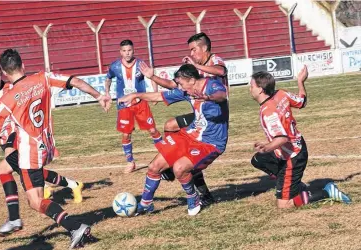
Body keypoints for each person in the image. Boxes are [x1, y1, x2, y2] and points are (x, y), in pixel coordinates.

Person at [0, 48, 110, 249]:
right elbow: (75, 81)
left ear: (5, 74)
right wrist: (98, 95)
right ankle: (24, 218)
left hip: (29, 151)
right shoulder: (44, 78)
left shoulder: (9, 96)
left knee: (35, 201)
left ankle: (74, 225)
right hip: (44, 146)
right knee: (7, 170)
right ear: (23, 65)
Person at [0, 63, 83, 237]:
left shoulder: (12, 88)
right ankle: (71, 184)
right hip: (1, 139)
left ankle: (16, 219)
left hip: (15, 136)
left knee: (9, 171)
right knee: (19, 171)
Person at [119, 64, 229, 216]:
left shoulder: (211, 85)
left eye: (182, 84)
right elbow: (159, 96)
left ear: (191, 80)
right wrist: (135, 95)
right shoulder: (186, 90)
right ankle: (145, 204)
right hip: (189, 135)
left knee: (179, 168)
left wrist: (208, 97)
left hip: (211, 142)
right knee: (154, 167)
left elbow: (222, 95)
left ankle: (193, 197)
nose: (181, 89)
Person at [249, 66, 351, 208]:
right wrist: (300, 81)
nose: (250, 89)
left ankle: (327, 192)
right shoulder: (281, 94)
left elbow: (282, 138)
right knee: (258, 160)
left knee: (284, 205)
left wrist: (268, 146)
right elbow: (302, 102)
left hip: (292, 156)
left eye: (251, 85)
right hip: (293, 146)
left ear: (260, 89)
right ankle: (293, 184)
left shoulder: (268, 112)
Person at [153, 33, 228, 205]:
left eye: (194, 50)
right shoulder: (196, 66)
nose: (192, 54)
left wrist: (195, 66)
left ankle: (177, 169)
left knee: (191, 152)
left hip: (213, 115)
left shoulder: (215, 60)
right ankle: (174, 162)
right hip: (199, 113)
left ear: (204, 48)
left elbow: (221, 71)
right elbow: (174, 85)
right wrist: (152, 76)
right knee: (170, 125)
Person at [104, 39, 162, 174]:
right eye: (124, 51)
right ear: (120, 52)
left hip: (141, 102)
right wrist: (107, 93)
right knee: (126, 134)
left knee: (153, 130)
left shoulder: (141, 64)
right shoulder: (115, 66)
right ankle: (130, 162)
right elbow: (108, 79)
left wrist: (154, 93)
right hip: (124, 105)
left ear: (133, 50)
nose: (127, 53)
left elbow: (151, 76)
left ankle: (166, 155)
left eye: (129, 50)